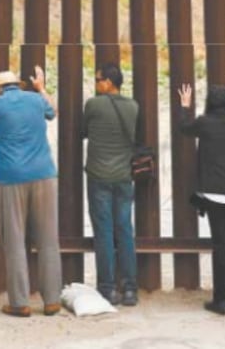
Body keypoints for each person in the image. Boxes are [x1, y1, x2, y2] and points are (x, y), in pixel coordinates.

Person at [0, 67, 62, 318]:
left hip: (10, 177)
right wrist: (41, 87)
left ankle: (20, 302)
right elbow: (53, 111)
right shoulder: (36, 99)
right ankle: (52, 301)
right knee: (48, 240)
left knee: (15, 241)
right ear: (19, 83)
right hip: (43, 174)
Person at [178, 83, 225, 316]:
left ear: (209, 102)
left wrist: (185, 106)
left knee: (220, 245)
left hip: (215, 193)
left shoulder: (204, 123)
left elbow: (184, 128)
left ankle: (220, 301)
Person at [82, 62, 140, 307]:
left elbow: (84, 131)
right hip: (124, 176)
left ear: (108, 82)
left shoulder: (93, 105)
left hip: (98, 176)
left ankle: (107, 288)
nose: (96, 85)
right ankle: (130, 289)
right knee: (125, 230)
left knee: (104, 232)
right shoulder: (133, 107)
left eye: (98, 80)